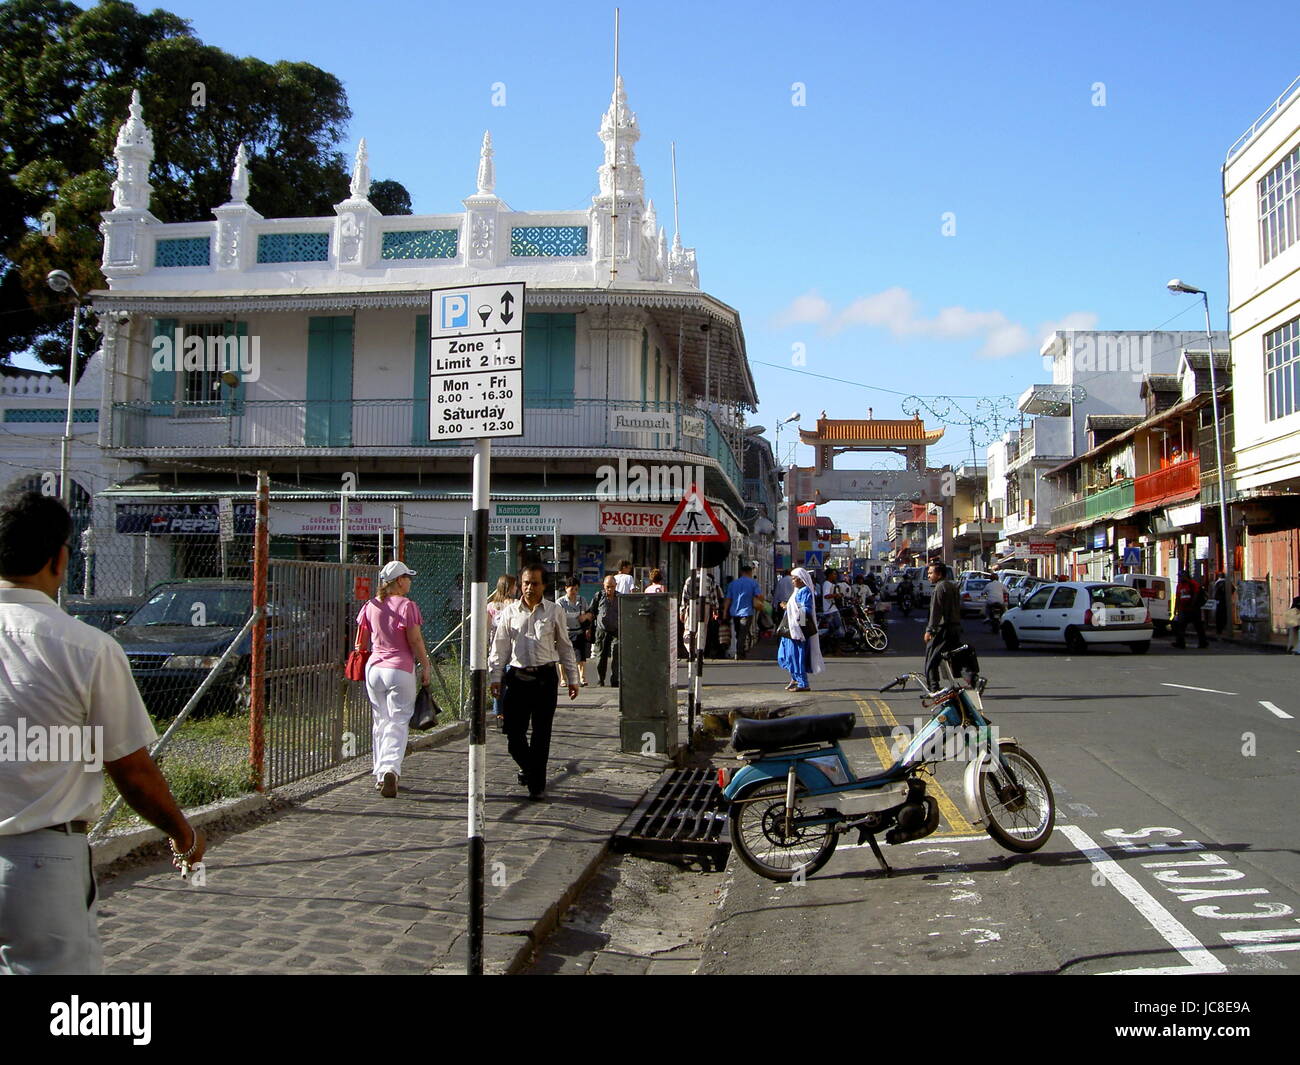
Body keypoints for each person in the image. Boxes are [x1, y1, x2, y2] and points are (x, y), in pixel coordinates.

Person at [1, 491, 204, 974]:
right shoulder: (85, 648)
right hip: (40, 861)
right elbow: (129, 769)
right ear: (61, 559)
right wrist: (181, 832)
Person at [489, 565, 579, 800]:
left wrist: (573, 678)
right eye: (526, 583)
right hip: (518, 679)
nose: (529, 588)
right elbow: (499, 648)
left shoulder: (554, 611)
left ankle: (536, 784)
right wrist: (495, 677)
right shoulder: (510, 612)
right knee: (513, 735)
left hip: (545, 679)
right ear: (520, 584)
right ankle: (531, 770)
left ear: (544, 586)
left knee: (541, 734)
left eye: (535, 583)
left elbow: (565, 646)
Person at [354, 560, 432, 797]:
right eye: (408, 577)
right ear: (399, 581)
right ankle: (390, 768)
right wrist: (425, 664)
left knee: (380, 721)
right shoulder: (407, 606)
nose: (410, 581)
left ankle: (379, 773)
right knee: (398, 720)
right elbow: (415, 640)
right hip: (399, 667)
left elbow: (362, 640)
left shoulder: (370, 605)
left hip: (374, 668)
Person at [777, 567, 824, 692]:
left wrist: (789, 607)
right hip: (790, 629)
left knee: (796, 656)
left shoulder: (805, 591)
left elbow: (805, 610)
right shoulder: (797, 591)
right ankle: (795, 679)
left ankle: (803, 683)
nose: (792, 581)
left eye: (794, 579)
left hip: (797, 630)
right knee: (788, 655)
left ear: (801, 580)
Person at [923, 561, 966, 692]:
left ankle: (933, 687)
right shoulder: (952, 586)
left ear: (939, 574)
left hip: (943, 628)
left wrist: (929, 630)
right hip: (955, 627)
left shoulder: (939, 588)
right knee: (954, 656)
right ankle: (971, 677)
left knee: (931, 657)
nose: (929, 576)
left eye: (931, 573)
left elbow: (936, 611)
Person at [486, 575, 518, 728]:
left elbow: (486, 630)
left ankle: (499, 714)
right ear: (510, 587)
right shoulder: (516, 605)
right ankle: (508, 712)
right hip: (512, 650)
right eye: (515, 586)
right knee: (512, 683)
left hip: (496, 650)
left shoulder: (491, 606)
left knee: (498, 682)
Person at [557, 576, 592, 686]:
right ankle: (563, 679)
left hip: (578, 631)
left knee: (580, 656)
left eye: (576, 589)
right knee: (562, 657)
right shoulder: (560, 602)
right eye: (571, 589)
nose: (574, 592)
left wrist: (585, 617)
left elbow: (590, 614)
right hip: (565, 632)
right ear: (566, 588)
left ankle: (582, 677)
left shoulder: (582, 600)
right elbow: (556, 619)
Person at [725, 565, 762, 659]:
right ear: (750, 572)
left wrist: (725, 612)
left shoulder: (733, 584)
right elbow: (759, 596)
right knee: (743, 632)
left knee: (738, 632)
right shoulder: (753, 583)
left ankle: (740, 650)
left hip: (734, 612)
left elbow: (728, 599)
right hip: (747, 611)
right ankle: (739, 652)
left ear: (741, 572)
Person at [590, 574, 620, 686]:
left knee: (616, 654)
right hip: (602, 630)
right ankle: (600, 679)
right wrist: (589, 628)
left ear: (616, 585)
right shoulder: (599, 596)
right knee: (601, 656)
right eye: (607, 586)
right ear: (604, 585)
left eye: (612, 586)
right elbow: (592, 612)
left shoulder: (620, 597)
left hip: (616, 631)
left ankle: (615, 679)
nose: (610, 589)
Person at [1172, 570, 1208, 649]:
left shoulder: (1193, 584)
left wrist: (1192, 605)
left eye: (1181, 576)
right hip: (1184, 609)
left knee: (1198, 626)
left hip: (1193, 609)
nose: (1180, 578)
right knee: (1180, 626)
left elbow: (1196, 595)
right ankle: (1180, 642)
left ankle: (1203, 642)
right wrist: (1176, 609)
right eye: (1179, 576)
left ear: (1185, 576)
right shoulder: (1179, 585)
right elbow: (1178, 598)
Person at [1212, 572, 1228, 636]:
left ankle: (1219, 629)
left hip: (1219, 601)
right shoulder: (1227, 582)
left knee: (1218, 615)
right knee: (1224, 614)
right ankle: (1223, 626)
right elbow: (1233, 589)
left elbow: (1215, 592)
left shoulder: (1218, 582)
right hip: (1225, 601)